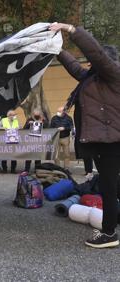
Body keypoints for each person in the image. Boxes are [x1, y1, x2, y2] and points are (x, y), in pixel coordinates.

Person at [49, 22, 120, 248]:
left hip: (112, 141)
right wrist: (57, 49)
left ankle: (109, 234)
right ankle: (110, 229)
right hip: (105, 141)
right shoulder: (93, 78)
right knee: (110, 186)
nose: (88, 64)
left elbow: (96, 53)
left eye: (93, 62)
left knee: (109, 187)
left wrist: (70, 30)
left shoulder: (113, 73)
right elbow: (74, 67)